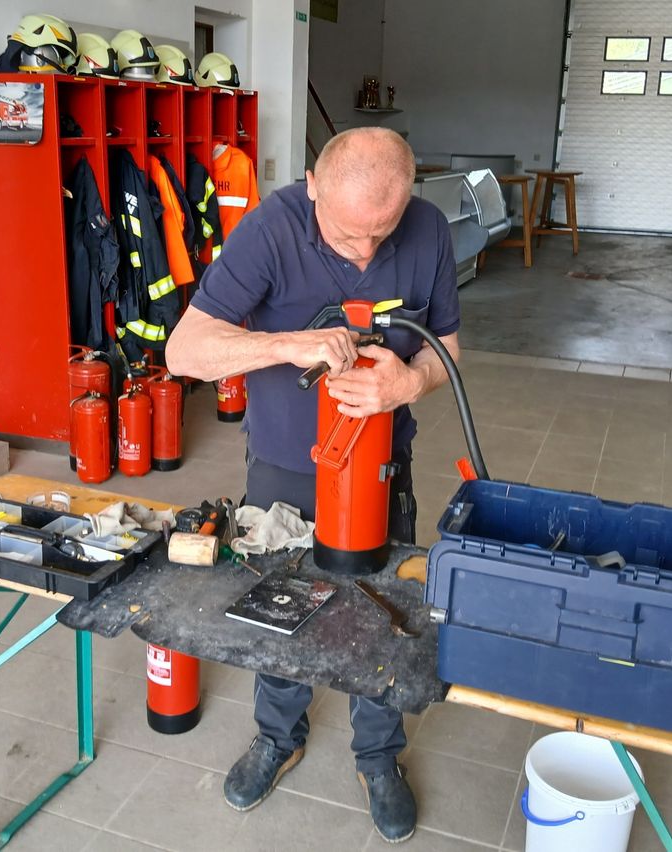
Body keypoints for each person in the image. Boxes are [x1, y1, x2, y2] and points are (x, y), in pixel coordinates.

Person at [165, 127, 460, 844]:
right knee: (279, 605)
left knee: (381, 611)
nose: (365, 253)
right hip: (285, 465)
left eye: (381, 233)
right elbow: (185, 350)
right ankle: (278, 735)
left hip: (383, 464)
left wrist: (411, 379)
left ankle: (379, 755)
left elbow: (448, 347)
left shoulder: (428, 231)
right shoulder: (271, 228)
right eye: (348, 234)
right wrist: (286, 343)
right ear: (312, 185)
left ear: (408, 200)